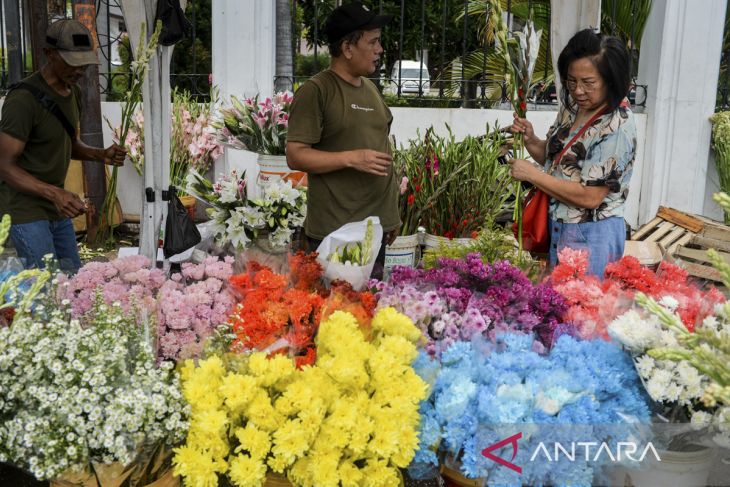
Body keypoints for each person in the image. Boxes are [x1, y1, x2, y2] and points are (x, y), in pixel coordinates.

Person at [0, 19, 126, 272]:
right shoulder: (22, 100)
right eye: (72, 62)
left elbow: (68, 144)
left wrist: (101, 155)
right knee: (46, 290)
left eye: (83, 64)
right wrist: (55, 193)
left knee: (73, 280)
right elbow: (4, 165)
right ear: (49, 54)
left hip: (56, 207)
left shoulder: (73, 93)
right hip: (25, 210)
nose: (79, 71)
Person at [286, 1, 400, 279]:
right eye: (373, 42)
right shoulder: (317, 91)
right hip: (337, 235)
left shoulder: (371, 89)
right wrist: (351, 158)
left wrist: (391, 215)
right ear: (347, 48)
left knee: (367, 317)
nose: (380, 50)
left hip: (375, 230)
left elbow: (381, 146)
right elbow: (296, 155)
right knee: (336, 317)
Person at [509, 29, 636, 277]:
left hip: (592, 234)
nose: (578, 91)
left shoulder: (617, 124)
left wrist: (532, 175)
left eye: (588, 82)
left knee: (582, 309)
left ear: (610, 79)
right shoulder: (572, 110)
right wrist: (530, 139)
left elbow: (590, 197)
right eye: (571, 81)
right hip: (559, 228)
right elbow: (555, 159)